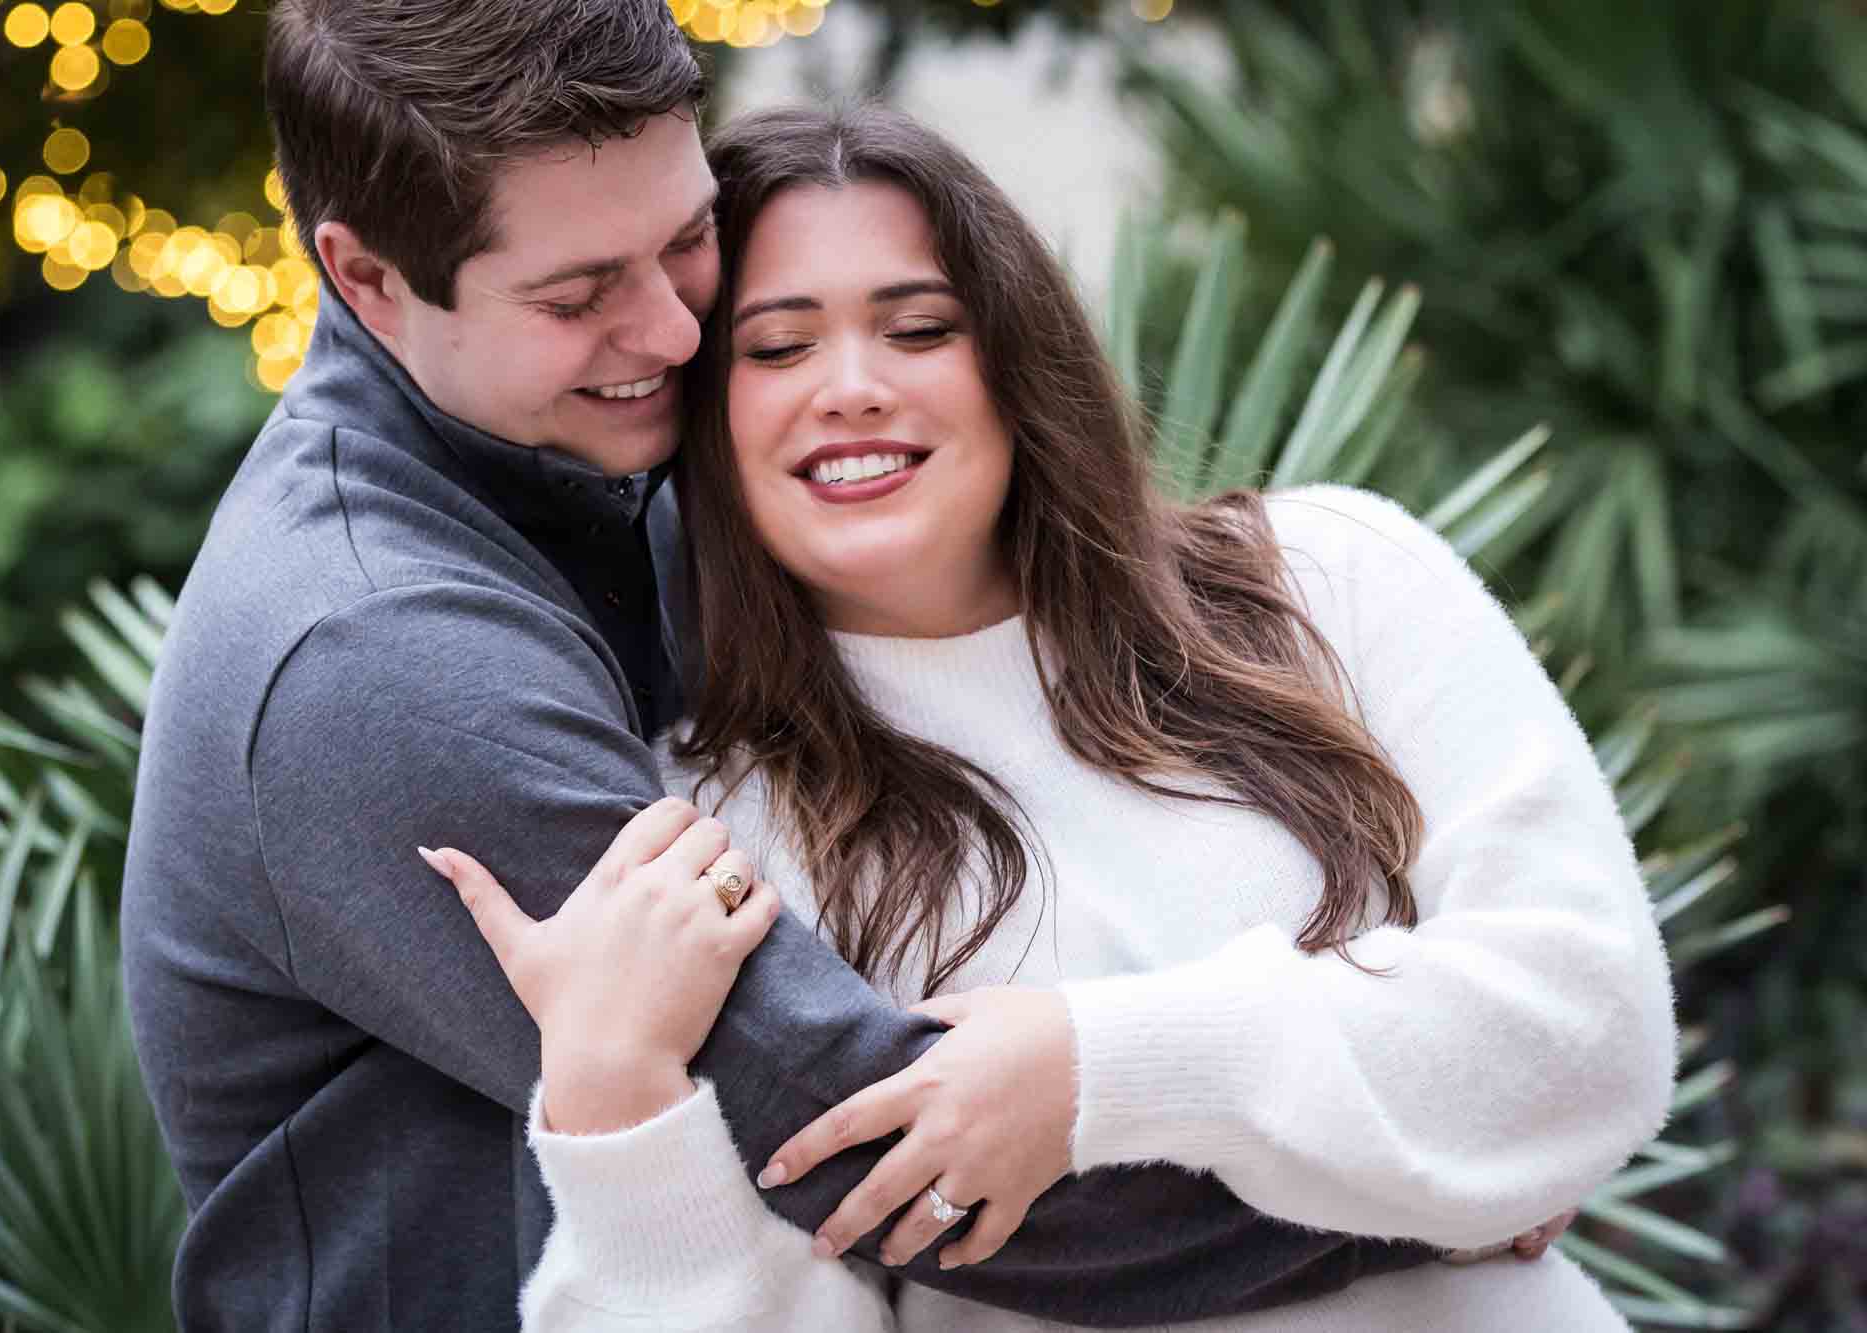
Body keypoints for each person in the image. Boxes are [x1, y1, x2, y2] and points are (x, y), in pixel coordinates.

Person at [119, 4, 1455, 1330]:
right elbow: (872, 1139)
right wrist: (1400, 1202)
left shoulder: (580, 448)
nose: (677, 332)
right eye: (578, 295)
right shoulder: (379, 654)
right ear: (363, 279)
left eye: (687, 239)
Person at [430, 103, 1678, 1330]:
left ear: (1014, 362)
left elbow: (1584, 1026)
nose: (852, 388)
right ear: (707, 413)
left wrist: (1100, 1066)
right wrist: (615, 1107)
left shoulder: (1331, 579)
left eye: (918, 328)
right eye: (776, 347)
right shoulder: (709, 833)